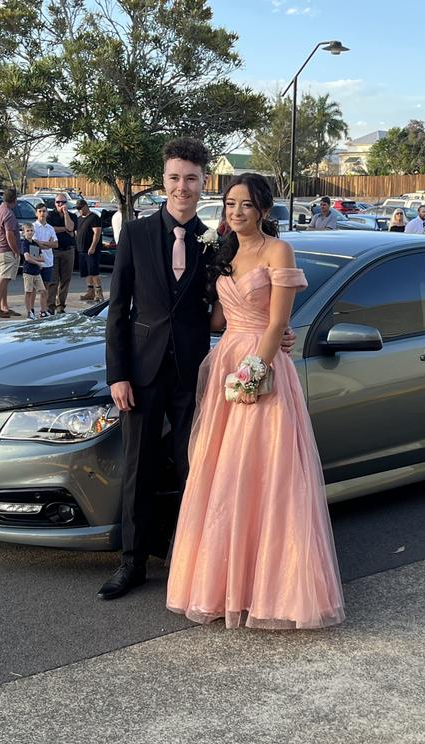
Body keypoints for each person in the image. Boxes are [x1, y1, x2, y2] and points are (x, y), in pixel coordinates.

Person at [99, 138, 296, 602]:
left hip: (199, 373)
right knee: (138, 468)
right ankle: (132, 563)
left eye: (191, 178)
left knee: (198, 469)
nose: (182, 187)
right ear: (163, 181)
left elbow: (240, 304)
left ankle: (186, 562)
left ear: (203, 182)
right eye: (174, 177)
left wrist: (277, 332)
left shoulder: (220, 244)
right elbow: (116, 310)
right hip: (142, 372)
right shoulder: (136, 234)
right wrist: (117, 374)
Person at [166, 173, 344, 629]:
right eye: (229, 204)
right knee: (222, 474)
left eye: (245, 205)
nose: (235, 212)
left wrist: (254, 372)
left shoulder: (277, 251)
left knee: (266, 474)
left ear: (264, 209)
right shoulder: (223, 253)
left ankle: (272, 590)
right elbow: (219, 320)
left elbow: (278, 321)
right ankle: (223, 585)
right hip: (227, 356)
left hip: (261, 368)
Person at [0, 188, 21, 318]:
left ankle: (4, 307)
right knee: (4, 279)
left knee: (4, 279)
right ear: (14, 200)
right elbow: (9, 234)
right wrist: (16, 251)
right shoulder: (8, 214)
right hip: (6, 250)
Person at [46, 194, 77, 314]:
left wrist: (65, 214)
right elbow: (51, 229)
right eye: (58, 202)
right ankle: (50, 305)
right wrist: (65, 230)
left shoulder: (72, 215)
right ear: (55, 203)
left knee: (65, 279)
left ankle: (61, 305)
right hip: (54, 251)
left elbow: (71, 227)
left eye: (63, 202)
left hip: (68, 250)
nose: (60, 204)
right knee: (53, 280)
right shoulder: (50, 215)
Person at [75, 199, 103, 302]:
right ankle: (90, 291)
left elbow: (97, 233)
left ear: (86, 206)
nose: (79, 210)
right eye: (78, 209)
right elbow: (76, 232)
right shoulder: (78, 219)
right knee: (86, 272)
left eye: (80, 208)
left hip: (91, 250)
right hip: (81, 249)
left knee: (94, 272)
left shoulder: (94, 218)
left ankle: (98, 293)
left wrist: (93, 246)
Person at [20, 223, 48, 319]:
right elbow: (27, 258)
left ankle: (43, 311)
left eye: (31, 230)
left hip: (36, 272)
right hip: (28, 271)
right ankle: (29, 312)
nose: (30, 232)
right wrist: (37, 262)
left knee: (43, 291)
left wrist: (36, 259)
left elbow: (42, 258)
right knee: (28, 292)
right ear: (24, 233)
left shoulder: (35, 244)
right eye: (27, 231)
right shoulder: (25, 243)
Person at [32, 204, 58, 291]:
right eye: (40, 211)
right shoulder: (33, 227)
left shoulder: (50, 228)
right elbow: (35, 244)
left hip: (48, 261)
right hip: (36, 260)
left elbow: (55, 244)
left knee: (45, 287)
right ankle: (31, 305)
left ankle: (44, 304)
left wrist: (43, 244)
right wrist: (48, 244)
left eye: (44, 211)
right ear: (36, 213)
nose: (42, 213)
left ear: (47, 213)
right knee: (33, 288)